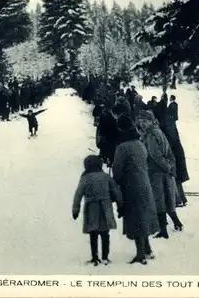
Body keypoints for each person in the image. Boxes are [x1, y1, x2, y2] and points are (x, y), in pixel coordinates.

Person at [113, 114, 159, 265]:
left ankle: (140, 254)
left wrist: (115, 184)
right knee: (143, 215)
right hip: (144, 183)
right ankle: (147, 249)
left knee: (135, 218)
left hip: (130, 185)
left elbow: (117, 170)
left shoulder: (122, 147)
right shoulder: (139, 143)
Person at [137, 111, 184, 239]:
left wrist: (167, 167)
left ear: (152, 121)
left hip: (156, 172)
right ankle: (177, 223)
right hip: (164, 172)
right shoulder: (158, 131)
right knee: (168, 199)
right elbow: (169, 152)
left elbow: (155, 154)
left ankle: (163, 231)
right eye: (141, 121)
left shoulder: (151, 135)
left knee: (159, 201)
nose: (143, 124)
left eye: (145, 121)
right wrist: (170, 166)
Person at [72, 155, 123, 266]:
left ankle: (94, 257)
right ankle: (105, 257)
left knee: (93, 234)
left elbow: (78, 194)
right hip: (105, 208)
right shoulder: (105, 177)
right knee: (105, 234)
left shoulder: (85, 178)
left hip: (92, 208)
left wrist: (75, 210)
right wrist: (120, 206)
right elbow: (116, 191)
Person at [163, 95, 189, 207]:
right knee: (176, 178)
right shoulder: (169, 122)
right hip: (176, 152)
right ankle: (181, 198)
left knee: (174, 177)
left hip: (174, 153)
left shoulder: (167, 123)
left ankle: (178, 200)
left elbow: (172, 140)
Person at [96, 101, 119, 167]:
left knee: (107, 147)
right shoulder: (108, 116)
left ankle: (107, 159)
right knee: (108, 147)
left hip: (108, 135)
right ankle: (106, 158)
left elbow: (101, 125)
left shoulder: (105, 114)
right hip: (108, 135)